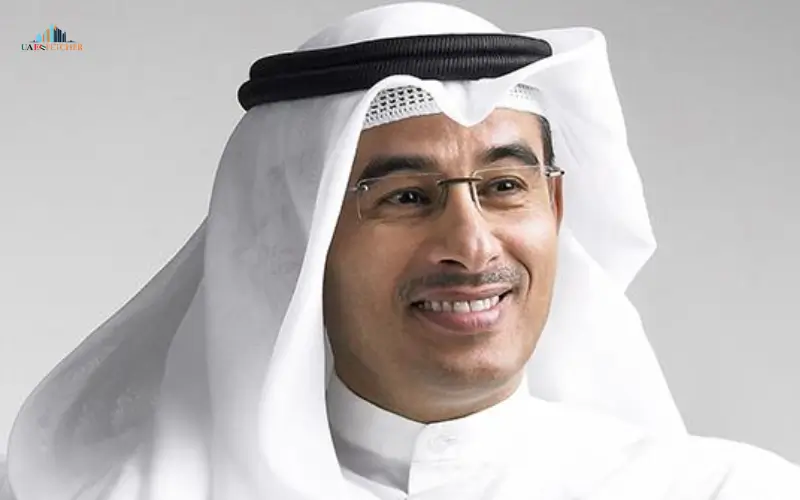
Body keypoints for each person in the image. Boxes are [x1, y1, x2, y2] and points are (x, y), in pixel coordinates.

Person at [1, 2, 798, 499]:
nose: (471, 245)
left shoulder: (727, 491)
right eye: (407, 197)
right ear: (297, 238)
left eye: (504, 187)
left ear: (555, 208)